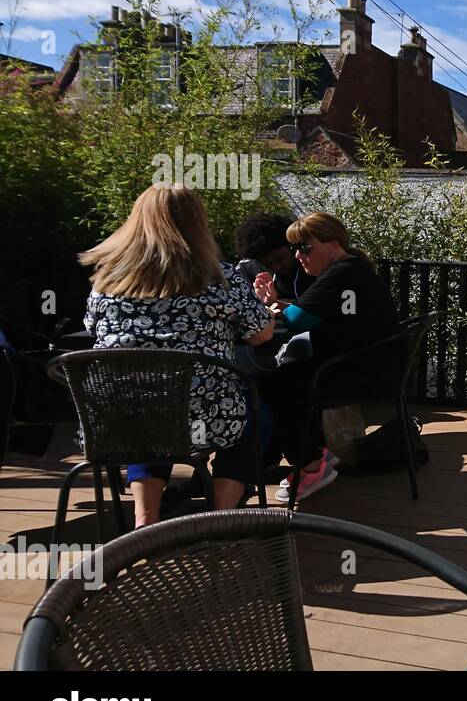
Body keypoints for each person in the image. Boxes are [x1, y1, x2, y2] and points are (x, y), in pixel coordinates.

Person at [79, 185, 275, 527]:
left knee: (148, 410)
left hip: (116, 420)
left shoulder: (108, 278)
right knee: (259, 416)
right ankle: (219, 515)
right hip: (203, 416)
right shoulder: (221, 276)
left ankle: (146, 518)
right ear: (197, 223)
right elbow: (261, 334)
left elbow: (94, 329)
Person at [259, 212, 402, 502]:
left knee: (272, 383)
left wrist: (266, 310)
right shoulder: (352, 268)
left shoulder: (342, 274)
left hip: (358, 376)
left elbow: (293, 322)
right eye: (295, 249)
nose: (298, 255)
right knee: (284, 375)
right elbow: (310, 312)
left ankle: (311, 464)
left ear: (333, 245)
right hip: (373, 370)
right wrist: (276, 304)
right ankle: (280, 459)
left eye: (305, 247)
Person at [233, 212, 315, 371]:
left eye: (280, 258)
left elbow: (312, 312)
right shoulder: (253, 272)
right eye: (268, 264)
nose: (277, 267)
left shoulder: (312, 269)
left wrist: (275, 303)